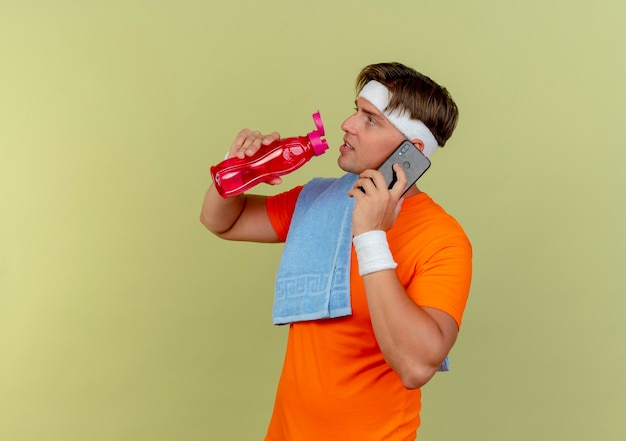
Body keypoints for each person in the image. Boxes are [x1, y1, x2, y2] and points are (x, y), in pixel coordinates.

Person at [200, 62, 472, 441]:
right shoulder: (320, 198)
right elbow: (223, 221)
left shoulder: (441, 237)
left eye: (370, 119)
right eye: (355, 110)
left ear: (413, 150)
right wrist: (237, 172)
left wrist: (371, 237)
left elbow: (415, 366)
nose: (348, 124)